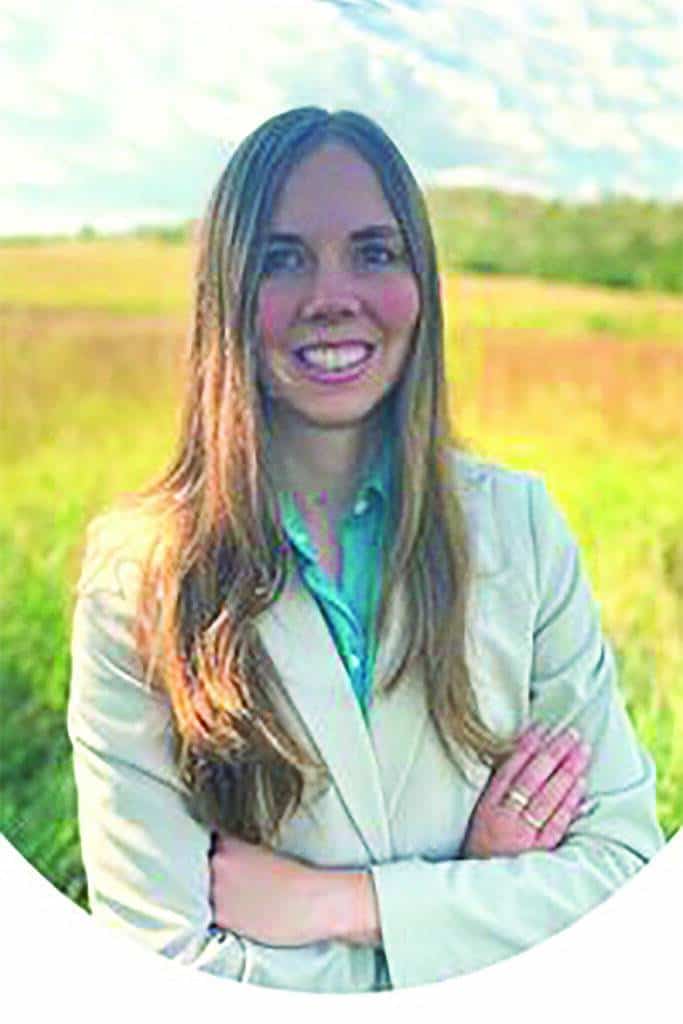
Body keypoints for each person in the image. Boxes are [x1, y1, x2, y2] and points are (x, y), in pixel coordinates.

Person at [67, 107, 664, 993]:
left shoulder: (521, 529)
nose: (331, 295)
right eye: (281, 257)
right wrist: (479, 890)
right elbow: (168, 969)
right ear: (224, 294)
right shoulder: (139, 576)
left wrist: (344, 904)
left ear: (420, 282)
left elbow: (625, 881)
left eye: (374, 251)